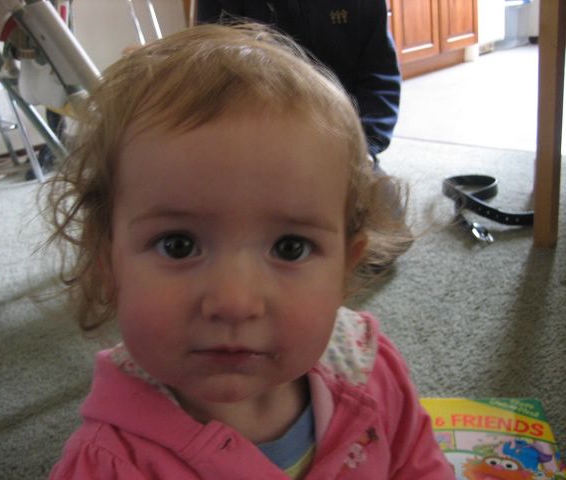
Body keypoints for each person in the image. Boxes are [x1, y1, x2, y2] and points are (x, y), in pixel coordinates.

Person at [45, 23, 452, 479]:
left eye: (290, 248)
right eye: (178, 246)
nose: (235, 302)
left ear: (345, 267)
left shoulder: (371, 373)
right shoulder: (107, 465)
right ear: (108, 263)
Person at [197, 0, 401, 161]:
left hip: (344, 143)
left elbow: (379, 77)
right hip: (258, 144)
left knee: (384, 196)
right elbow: (213, 81)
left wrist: (363, 146)